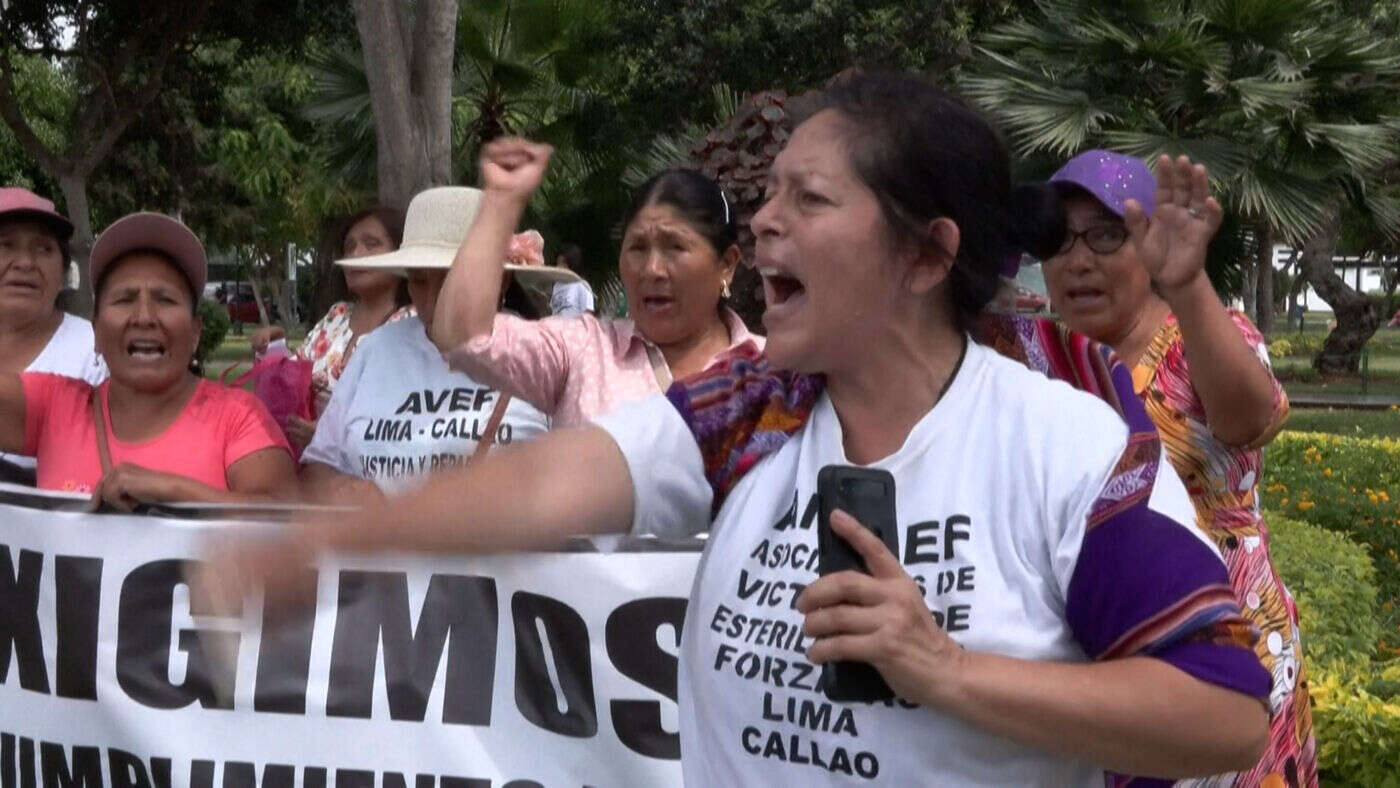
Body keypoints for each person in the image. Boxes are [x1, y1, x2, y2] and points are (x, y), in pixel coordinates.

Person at [202, 73, 1269, 786]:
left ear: (925, 255)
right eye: (766, 198)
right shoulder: (751, 411)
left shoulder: (1062, 446)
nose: (760, 222)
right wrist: (322, 544)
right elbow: (542, 483)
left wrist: (941, 667)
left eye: (807, 199)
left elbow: (1220, 712)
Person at [1040, 149, 1315, 786]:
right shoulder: (1041, 360)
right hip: (1101, 648)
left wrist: (1189, 285)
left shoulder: (1197, 336)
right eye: (1058, 239)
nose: (1078, 260)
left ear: (1151, 243)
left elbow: (1253, 419)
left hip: (1224, 647)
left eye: (1108, 235)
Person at [432, 140, 763, 428]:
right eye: (637, 248)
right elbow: (463, 337)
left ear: (727, 264)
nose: (652, 270)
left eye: (675, 247)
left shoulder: (773, 371)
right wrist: (499, 204)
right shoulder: (582, 350)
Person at [0, 212, 296, 509]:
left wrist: (173, 492)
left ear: (195, 332)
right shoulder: (53, 407)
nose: (144, 317)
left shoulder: (239, 418)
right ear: (96, 331)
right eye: (124, 299)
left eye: (165, 299)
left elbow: (286, 522)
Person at [299, 187, 550, 506]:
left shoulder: (544, 355)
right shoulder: (375, 349)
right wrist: (341, 489)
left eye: (449, 280)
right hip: (378, 552)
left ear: (501, 282)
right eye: (418, 280)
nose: (432, 301)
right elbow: (317, 466)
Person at [250, 206, 414, 450]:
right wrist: (274, 346)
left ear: (400, 253)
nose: (356, 254)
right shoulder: (336, 315)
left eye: (371, 244)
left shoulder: (412, 323)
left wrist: (334, 436)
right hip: (306, 468)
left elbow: (409, 412)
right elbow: (295, 379)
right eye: (349, 247)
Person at [0, 187, 108, 484]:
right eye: (5, 245)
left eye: (43, 249)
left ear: (63, 272)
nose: (24, 263)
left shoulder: (96, 352)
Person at [549, 243, 595, 316]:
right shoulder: (557, 285)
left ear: (573, 263)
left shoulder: (582, 285)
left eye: (563, 263)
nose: (559, 266)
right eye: (558, 263)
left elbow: (588, 314)